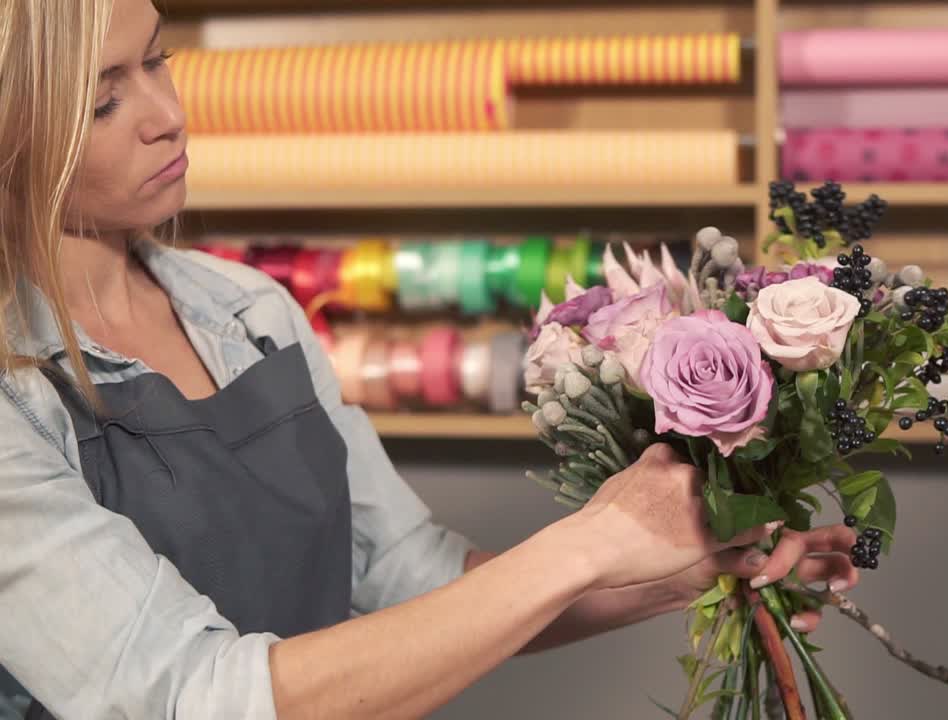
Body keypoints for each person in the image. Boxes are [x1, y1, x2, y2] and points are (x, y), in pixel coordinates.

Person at [0, 1, 861, 718]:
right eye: (105, 100)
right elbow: (191, 696)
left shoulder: (246, 310)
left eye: (158, 60)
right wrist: (590, 543)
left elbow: (403, 574)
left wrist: (689, 569)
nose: (168, 116)